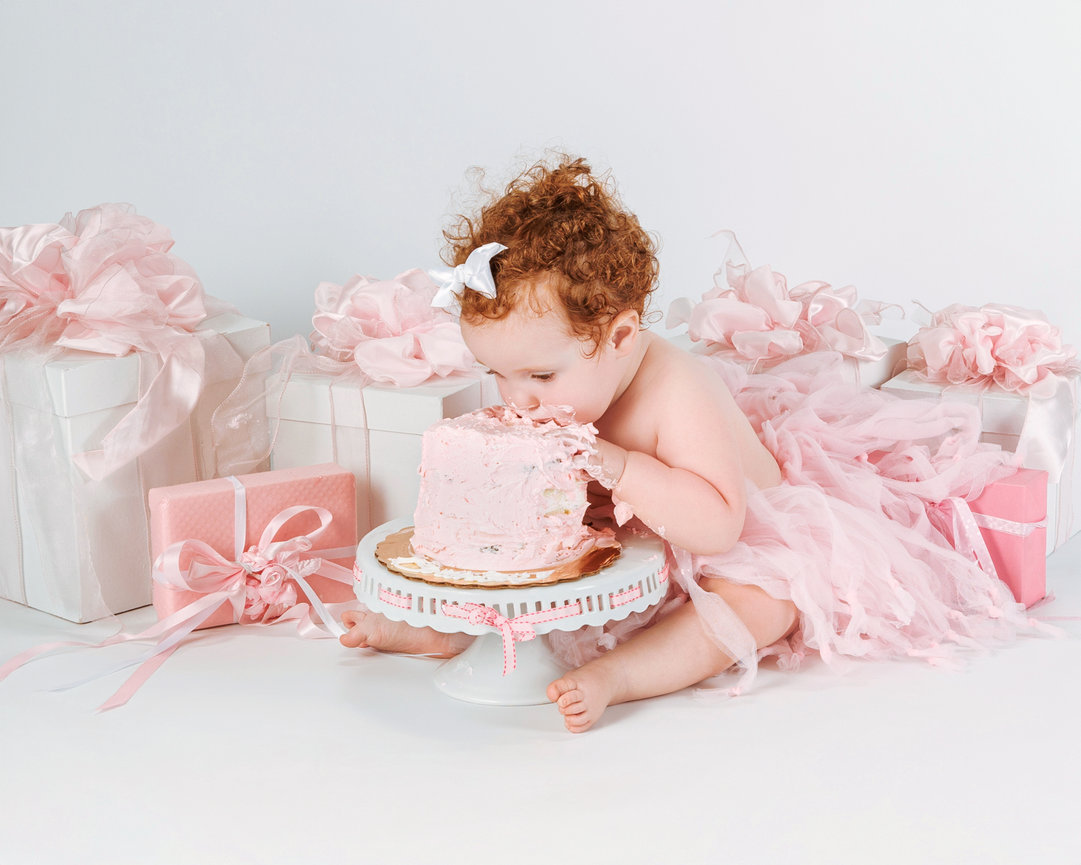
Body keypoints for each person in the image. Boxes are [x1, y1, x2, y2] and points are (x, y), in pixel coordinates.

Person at [341, 155, 1033, 732]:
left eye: (539, 374)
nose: (515, 399)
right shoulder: (564, 392)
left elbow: (717, 523)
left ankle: (623, 673)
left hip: (734, 535)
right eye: (496, 373)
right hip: (634, 545)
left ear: (618, 337)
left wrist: (619, 466)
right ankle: (458, 631)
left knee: (763, 602)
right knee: (523, 565)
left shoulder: (678, 391)